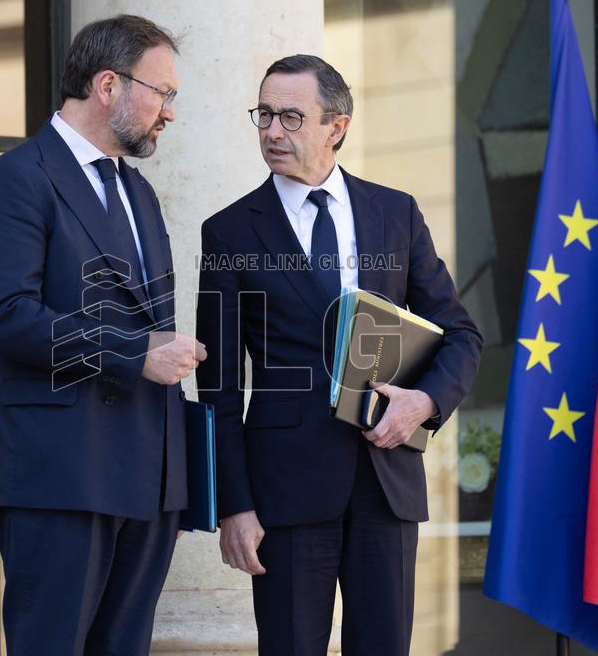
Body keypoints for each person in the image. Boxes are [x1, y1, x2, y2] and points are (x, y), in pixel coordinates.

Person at [196, 54, 483, 655]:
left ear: (337, 126)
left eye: (291, 117)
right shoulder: (228, 232)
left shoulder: (395, 212)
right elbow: (218, 387)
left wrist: (424, 403)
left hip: (387, 484)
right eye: (265, 115)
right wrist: (234, 505)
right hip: (284, 494)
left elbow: (460, 334)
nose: (273, 131)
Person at [0, 14, 206, 656]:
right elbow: (6, 315)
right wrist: (134, 354)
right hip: (59, 471)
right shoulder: (18, 178)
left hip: (143, 478)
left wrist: (173, 484)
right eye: (163, 93)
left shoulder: (139, 192)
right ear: (108, 86)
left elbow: (153, 331)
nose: (170, 114)